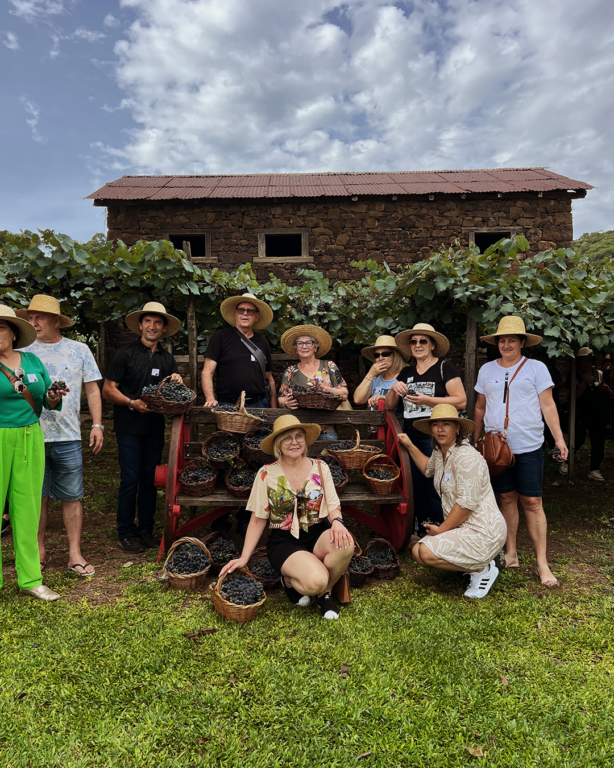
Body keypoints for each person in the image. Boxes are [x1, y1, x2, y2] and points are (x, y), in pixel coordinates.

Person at [220, 415, 354, 619]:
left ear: (305, 440)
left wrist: (337, 522)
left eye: (299, 436)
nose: (294, 442)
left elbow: (333, 505)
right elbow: (258, 519)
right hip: (284, 541)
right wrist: (244, 557)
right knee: (316, 580)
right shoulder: (266, 474)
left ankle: (325, 594)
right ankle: (290, 581)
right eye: (287, 438)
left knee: (346, 544)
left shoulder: (320, 467)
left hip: (316, 533)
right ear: (278, 444)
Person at [473, 316, 568, 587]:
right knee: (505, 498)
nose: (506, 345)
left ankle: (542, 563)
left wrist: (559, 439)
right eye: (502, 340)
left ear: (522, 342)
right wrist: (475, 440)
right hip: (496, 449)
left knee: (533, 502)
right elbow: (480, 407)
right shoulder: (486, 370)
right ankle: (511, 553)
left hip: (529, 445)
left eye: (512, 340)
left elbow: (548, 405)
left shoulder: (536, 368)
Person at [16, 295, 103, 576]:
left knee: (72, 495)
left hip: (68, 435)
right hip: (31, 433)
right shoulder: (21, 353)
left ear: (56, 321)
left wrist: (97, 425)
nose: (33, 322)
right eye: (30, 318)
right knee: (36, 497)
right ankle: (38, 551)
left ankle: (74, 553)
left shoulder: (79, 349)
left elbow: (92, 389)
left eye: (39, 317)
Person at [398, 405, 506, 599]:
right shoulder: (441, 452)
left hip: (484, 530)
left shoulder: (466, 457)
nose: (440, 429)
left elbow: (466, 504)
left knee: (425, 552)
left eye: (446, 424)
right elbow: (428, 469)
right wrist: (409, 445)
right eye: (435, 424)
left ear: (457, 428)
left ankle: (483, 568)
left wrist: (441, 530)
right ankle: (472, 564)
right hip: (462, 527)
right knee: (418, 552)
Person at [0, 304, 69, 601]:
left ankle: (30, 579)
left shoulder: (31, 360)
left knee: (27, 508)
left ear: (13, 332)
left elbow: (45, 402)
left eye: (1, 327)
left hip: (30, 436)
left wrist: (53, 395)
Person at [102, 301, 183, 553]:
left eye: (157, 322)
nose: (152, 326)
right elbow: (108, 390)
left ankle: (146, 529)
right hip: (128, 426)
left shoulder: (166, 359)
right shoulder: (125, 354)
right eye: (148, 321)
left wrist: (178, 380)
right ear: (140, 325)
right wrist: (131, 403)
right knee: (130, 479)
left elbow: (172, 392)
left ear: (164, 328)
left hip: (154, 427)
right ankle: (126, 531)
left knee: (150, 480)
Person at [202, 293, 278, 537]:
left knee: (255, 462)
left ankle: (247, 519)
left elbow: (269, 378)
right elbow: (207, 371)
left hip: (258, 407)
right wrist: (210, 398)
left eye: (250, 311)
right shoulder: (221, 337)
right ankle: (220, 520)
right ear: (235, 314)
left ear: (256, 317)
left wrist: (272, 409)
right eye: (241, 310)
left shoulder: (263, 343)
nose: (245, 314)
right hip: (228, 408)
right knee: (224, 458)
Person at [385, 323, 467, 532]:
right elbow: (389, 406)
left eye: (423, 341)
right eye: (413, 341)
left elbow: (460, 401)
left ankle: (444, 529)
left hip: (437, 437)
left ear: (432, 345)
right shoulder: (406, 372)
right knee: (416, 486)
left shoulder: (444, 367)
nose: (418, 345)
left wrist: (428, 401)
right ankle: (424, 529)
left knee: (438, 485)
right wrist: (394, 388)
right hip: (411, 437)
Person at [277, 325, 349, 441]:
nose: (304, 346)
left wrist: (326, 389)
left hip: (326, 430)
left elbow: (344, 394)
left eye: (308, 343)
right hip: (300, 430)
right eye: (300, 343)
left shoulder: (329, 366)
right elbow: (281, 398)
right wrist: (285, 403)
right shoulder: (290, 371)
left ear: (315, 347)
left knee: (328, 453)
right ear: (296, 348)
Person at [559, 347, 613, 481]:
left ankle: (594, 469)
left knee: (598, 440)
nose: (587, 364)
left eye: (589, 361)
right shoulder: (573, 376)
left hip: (598, 412)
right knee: (578, 438)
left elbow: (610, 393)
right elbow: (573, 397)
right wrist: (584, 384)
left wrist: (606, 390)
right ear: (578, 362)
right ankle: (566, 461)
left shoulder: (599, 374)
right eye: (583, 361)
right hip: (580, 413)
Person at [353, 334, 407, 415]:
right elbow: (358, 400)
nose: (380, 358)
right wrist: (370, 374)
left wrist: (383, 399)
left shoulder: (405, 375)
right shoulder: (375, 379)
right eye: (377, 355)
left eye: (385, 354)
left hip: (398, 421)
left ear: (395, 355)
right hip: (376, 421)